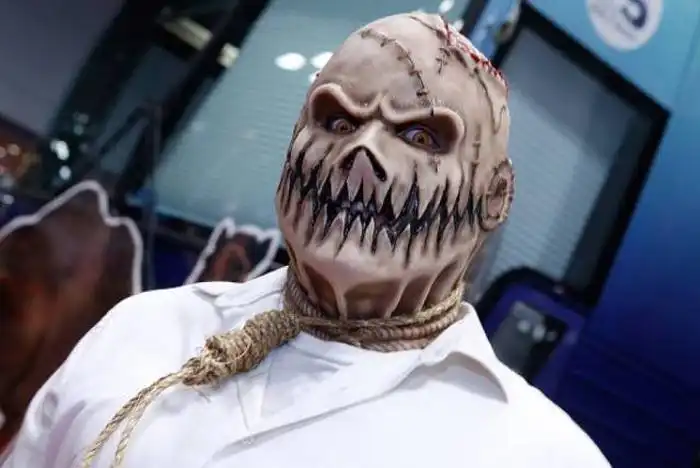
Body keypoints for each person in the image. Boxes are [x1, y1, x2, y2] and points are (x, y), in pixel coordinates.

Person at [0, 12, 610, 468]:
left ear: (496, 197)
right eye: (337, 119)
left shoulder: (542, 455)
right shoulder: (141, 330)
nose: (362, 151)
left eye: (421, 136)